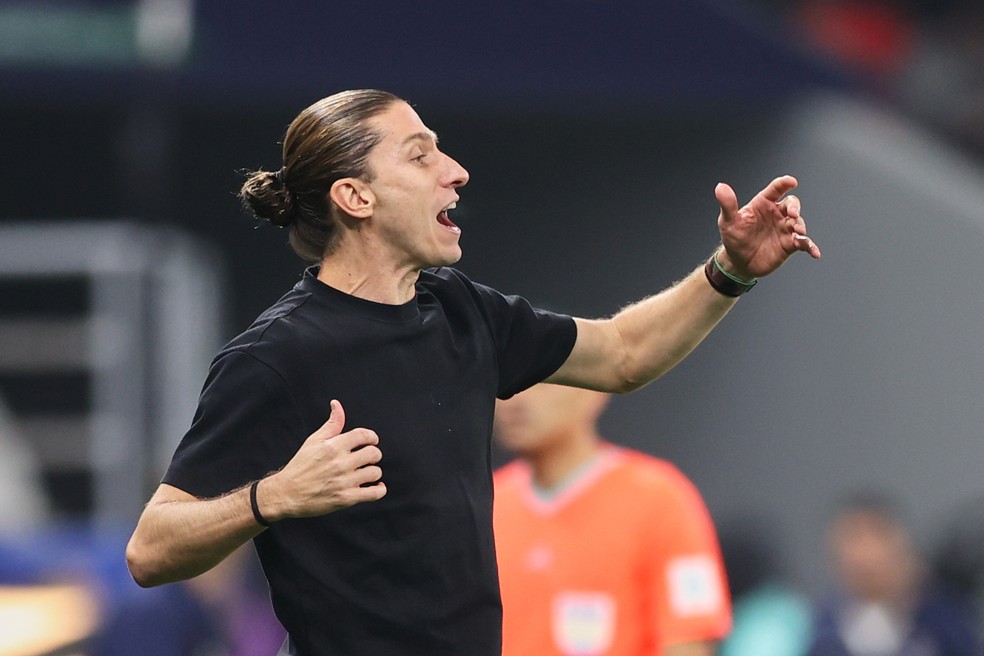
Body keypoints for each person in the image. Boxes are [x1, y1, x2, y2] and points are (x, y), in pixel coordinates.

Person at [124, 88, 821, 656]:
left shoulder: (457, 309)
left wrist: (728, 272)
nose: (455, 171)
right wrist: (273, 497)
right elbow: (151, 550)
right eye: (420, 155)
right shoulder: (277, 354)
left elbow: (622, 354)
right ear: (355, 198)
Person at [492, 383, 732, 655]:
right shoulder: (483, 509)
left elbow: (688, 643)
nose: (516, 398)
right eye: (508, 379)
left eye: (540, 380)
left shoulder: (659, 501)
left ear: (592, 387)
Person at [807, 491, 980, 656]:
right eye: (852, 537)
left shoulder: (943, 619)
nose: (864, 554)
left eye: (875, 534)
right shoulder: (823, 629)